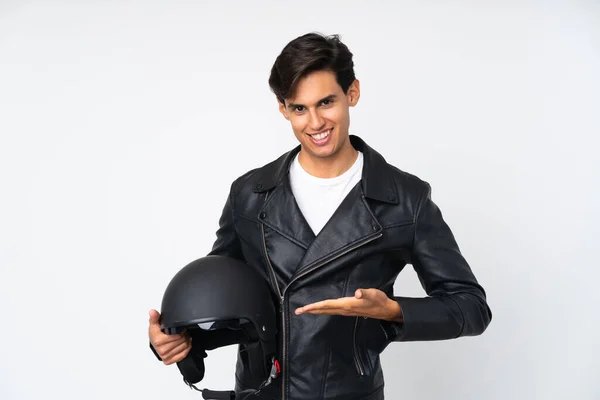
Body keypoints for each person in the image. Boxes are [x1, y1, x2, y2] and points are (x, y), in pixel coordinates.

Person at [148, 32, 492, 400]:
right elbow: (230, 300)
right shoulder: (249, 193)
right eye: (299, 108)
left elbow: (470, 307)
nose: (314, 123)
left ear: (352, 94)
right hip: (260, 393)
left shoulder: (405, 200)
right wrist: (176, 338)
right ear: (283, 108)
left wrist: (392, 311)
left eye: (326, 102)